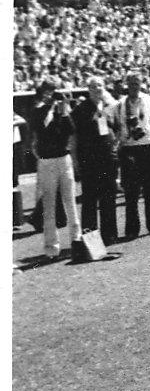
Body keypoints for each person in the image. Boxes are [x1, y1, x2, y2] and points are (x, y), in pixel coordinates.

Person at [29, 80, 76, 258]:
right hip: (47, 161)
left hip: (63, 158)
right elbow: (38, 130)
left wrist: (63, 110)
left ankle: (76, 240)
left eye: (52, 92)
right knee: (49, 206)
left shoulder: (61, 111)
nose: (50, 95)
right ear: (42, 93)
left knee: (70, 202)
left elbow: (70, 131)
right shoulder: (37, 111)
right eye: (47, 92)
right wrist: (48, 107)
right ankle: (51, 247)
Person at [116, 73, 150, 241]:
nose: (134, 87)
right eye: (131, 83)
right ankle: (132, 229)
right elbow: (118, 126)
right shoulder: (121, 103)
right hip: (129, 148)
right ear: (126, 85)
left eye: (137, 83)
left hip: (147, 148)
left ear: (142, 84)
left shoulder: (149, 101)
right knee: (131, 191)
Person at [71, 79, 119, 247]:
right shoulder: (80, 110)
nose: (97, 89)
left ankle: (110, 237)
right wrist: (76, 161)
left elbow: (116, 129)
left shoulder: (108, 107)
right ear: (88, 90)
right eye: (93, 86)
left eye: (100, 85)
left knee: (108, 199)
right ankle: (92, 242)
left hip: (107, 160)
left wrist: (114, 147)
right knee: (90, 202)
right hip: (89, 162)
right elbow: (74, 138)